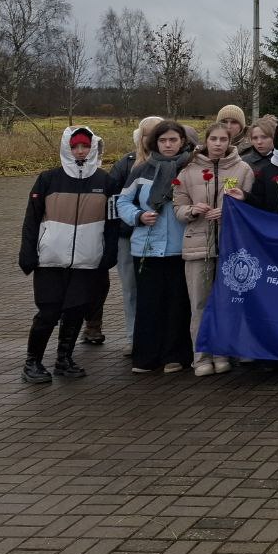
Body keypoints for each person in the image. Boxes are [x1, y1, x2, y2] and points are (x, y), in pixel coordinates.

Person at [19, 127, 118, 383]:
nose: (80, 151)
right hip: (50, 260)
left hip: (87, 261)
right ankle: (33, 362)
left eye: (85, 146)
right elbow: (31, 220)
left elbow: (112, 223)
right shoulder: (48, 179)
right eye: (75, 146)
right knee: (48, 313)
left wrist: (109, 253)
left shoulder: (105, 182)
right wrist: (28, 252)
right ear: (67, 148)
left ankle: (64, 359)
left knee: (75, 310)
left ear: (93, 147)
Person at [173, 122, 254, 377]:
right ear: (206, 141)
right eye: (214, 139)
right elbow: (178, 207)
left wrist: (233, 208)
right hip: (198, 245)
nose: (218, 144)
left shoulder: (242, 169)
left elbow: (251, 206)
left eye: (223, 139)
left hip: (231, 247)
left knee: (227, 302)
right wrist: (191, 210)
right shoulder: (187, 171)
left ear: (230, 141)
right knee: (199, 303)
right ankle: (201, 357)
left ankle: (222, 352)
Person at [117, 120, 196, 374]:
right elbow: (123, 201)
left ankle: (175, 355)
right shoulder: (141, 170)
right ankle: (146, 357)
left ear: (182, 141)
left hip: (179, 246)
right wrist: (138, 215)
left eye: (173, 140)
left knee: (177, 304)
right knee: (149, 304)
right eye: (163, 140)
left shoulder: (190, 167)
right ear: (155, 143)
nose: (168, 145)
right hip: (147, 247)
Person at [106, 115, 163, 356]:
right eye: (147, 133)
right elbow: (112, 201)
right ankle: (133, 337)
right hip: (127, 237)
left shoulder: (170, 163)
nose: (151, 138)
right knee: (131, 289)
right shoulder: (126, 164)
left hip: (160, 238)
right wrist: (126, 224)